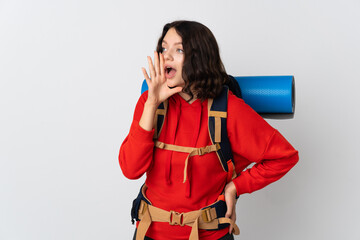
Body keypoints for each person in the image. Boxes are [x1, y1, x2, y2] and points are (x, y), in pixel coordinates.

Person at [119, 20, 299, 240]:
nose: (166, 56)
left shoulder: (229, 109)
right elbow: (130, 170)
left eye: (179, 49)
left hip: (209, 235)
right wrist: (151, 104)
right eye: (163, 48)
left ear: (199, 57)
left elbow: (284, 156)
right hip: (150, 232)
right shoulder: (150, 103)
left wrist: (236, 187)